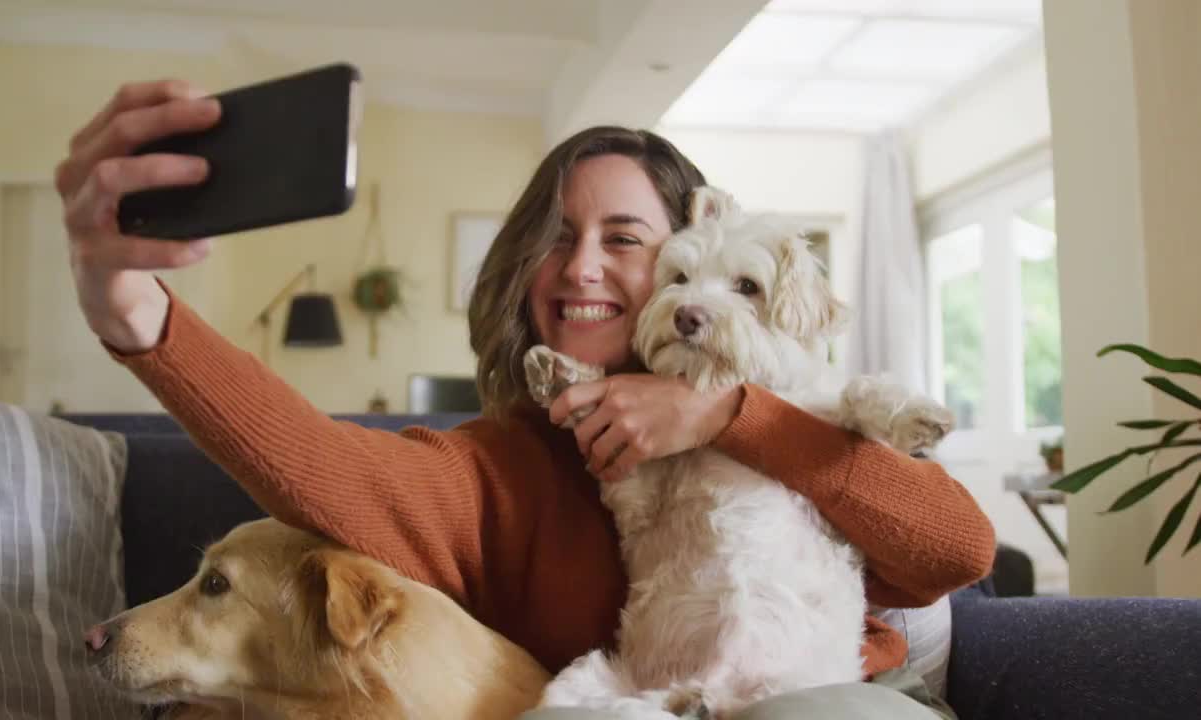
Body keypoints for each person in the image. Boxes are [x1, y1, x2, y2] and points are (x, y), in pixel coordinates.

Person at [55, 78, 995, 720]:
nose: (581, 265)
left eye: (622, 238)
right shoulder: (496, 467)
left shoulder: (785, 412)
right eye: (557, 236)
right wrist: (137, 312)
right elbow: (328, 466)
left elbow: (954, 548)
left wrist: (726, 417)